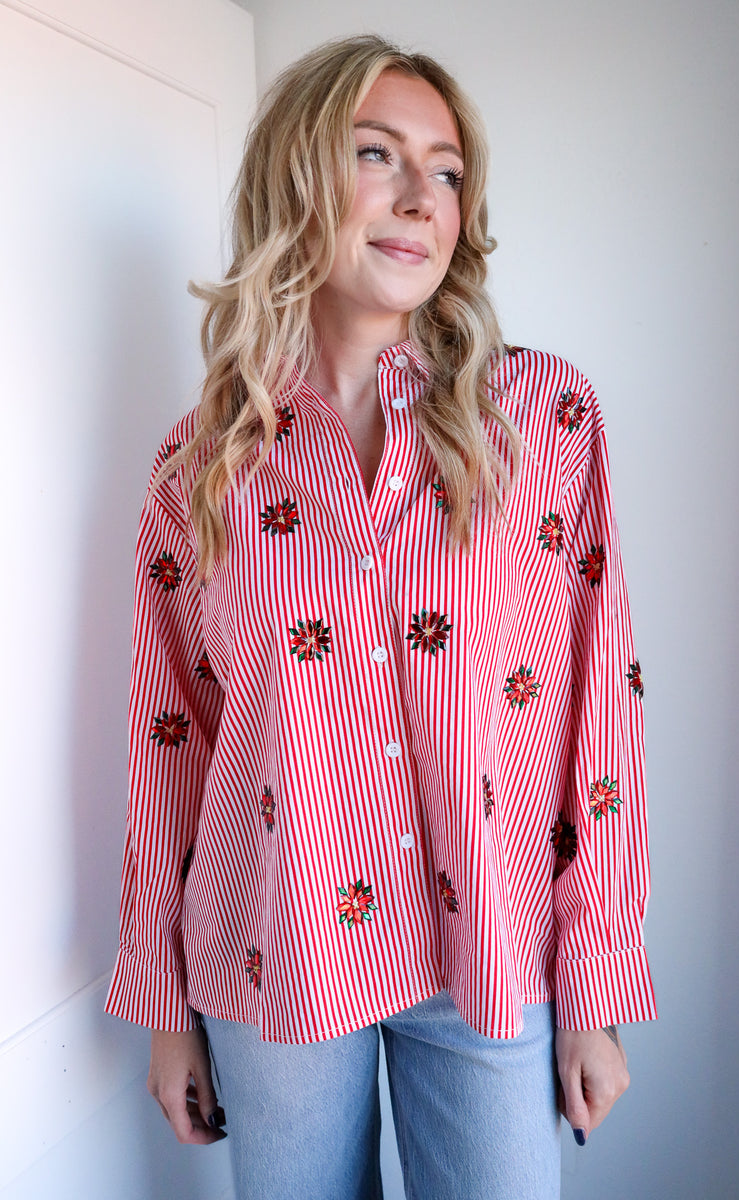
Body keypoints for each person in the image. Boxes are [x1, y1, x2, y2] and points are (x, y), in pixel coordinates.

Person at [106, 33, 656, 1200]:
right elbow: (168, 744)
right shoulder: (199, 463)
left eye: (447, 170)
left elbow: (598, 716)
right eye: (376, 155)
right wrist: (164, 1011)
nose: (420, 199)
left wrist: (595, 988)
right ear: (294, 179)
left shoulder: (542, 419)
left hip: (490, 955)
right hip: (277, 953)